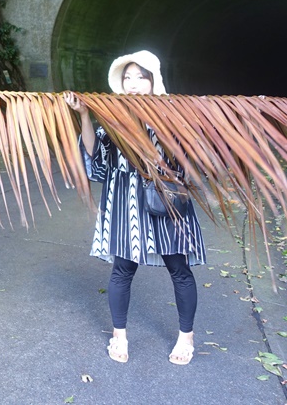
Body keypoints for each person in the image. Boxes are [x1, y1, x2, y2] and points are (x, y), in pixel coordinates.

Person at [65, 50, 206, 365]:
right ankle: (119, 335)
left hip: (165, 200)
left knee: (179, 270)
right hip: (125, 201)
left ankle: (187, 337)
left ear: (153, 79)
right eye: (127, 77)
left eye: (140, 76)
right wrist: (85, 115)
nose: (132, 83)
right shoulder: (115, 116)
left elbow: (191, 157)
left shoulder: (174, 114)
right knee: (122, 270)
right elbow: (96, 156)